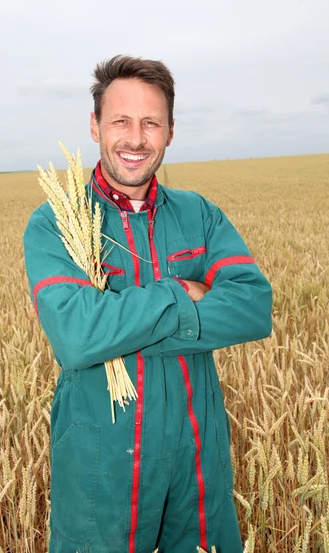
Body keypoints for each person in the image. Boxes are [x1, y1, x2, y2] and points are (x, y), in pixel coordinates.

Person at [23, 55, 273, 553]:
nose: (135, 139)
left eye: (150, 123)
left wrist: (118, 327)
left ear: (170, 131)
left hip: (195, 461)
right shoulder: (55, 222)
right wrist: (180, 291)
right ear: (95, 126)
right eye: (120, 121)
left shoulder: (199, 214)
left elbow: (252, 306)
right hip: (101, 467)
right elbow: (75, 338)